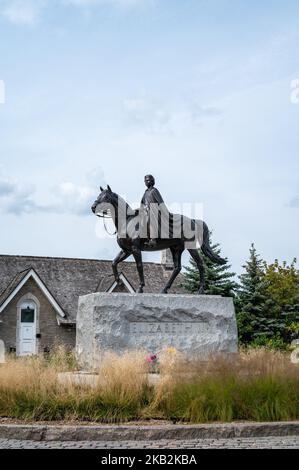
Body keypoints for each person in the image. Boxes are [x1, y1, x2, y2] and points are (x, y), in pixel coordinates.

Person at [140, 174, 170, 247]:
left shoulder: (154, 191)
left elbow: (160, 202)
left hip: (155, 210)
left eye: (147, 180)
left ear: (152, 181)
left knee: (151, 217)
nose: (146, 182)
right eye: (145, 181)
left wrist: (165, 211)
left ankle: (153, 239)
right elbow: (142, 203)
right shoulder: (146, 192)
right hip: (146, 210)